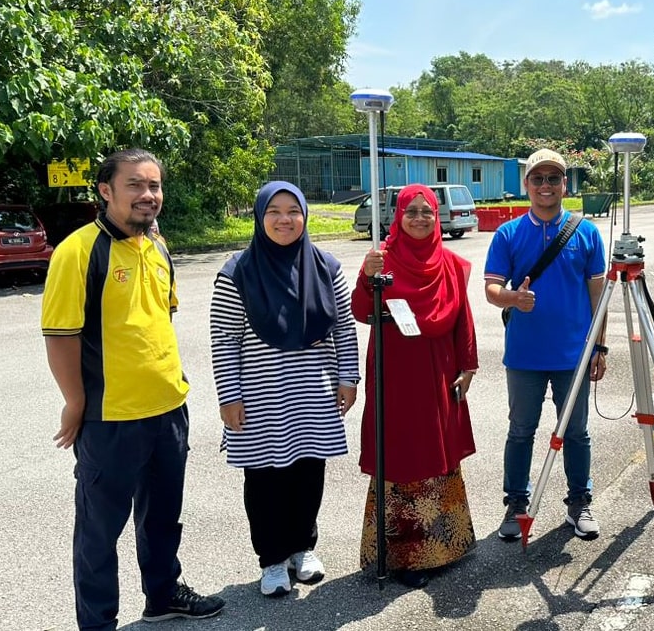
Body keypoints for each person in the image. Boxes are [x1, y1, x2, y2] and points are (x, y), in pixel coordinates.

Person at [41, 149, 225, 630]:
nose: (148, 195)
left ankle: (162, 596)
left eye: (154, 185)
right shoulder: (78, 252)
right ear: (106, 191)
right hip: (111, 418)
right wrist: (75, 401)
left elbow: (158, 319)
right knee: (99, 532)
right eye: (135, 185)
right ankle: (98, 623)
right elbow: (60, 335)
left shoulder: (158, 247)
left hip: (168, 408)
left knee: (162, 517)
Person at [210, 181, 359, 597]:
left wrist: (348, 378)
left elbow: (344, 329)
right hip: (259, 395)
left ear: (305, 215)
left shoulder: (326, 266)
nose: (284, 219)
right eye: (273, 211)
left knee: (309, 472)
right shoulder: (237, 272)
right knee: (264, 479)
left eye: (293, 210)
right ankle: (272, 559)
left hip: (313, 390)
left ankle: (302, 548)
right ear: (260, 217)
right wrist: (229, 396)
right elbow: (224, 339)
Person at [352, 184, 479, 589]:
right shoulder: (382, 260)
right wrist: (366, 277)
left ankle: (445, 546)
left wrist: (468, 365)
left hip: (439, 370)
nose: (420, 218)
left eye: (427, 211)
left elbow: (463, 318)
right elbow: (361, 312)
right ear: (398, 216)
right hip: (395, 373)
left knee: (436, 448)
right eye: (412, 211)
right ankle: (402, 555)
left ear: (437, 216)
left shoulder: (450, 264)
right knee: (402, 451)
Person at [484, 148, 608, 542]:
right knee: (521, 430)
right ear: (527, 184)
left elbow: (599, 295)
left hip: (574, 354)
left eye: (553, 178)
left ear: (564, 184)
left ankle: (579, 502)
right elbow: (491, 289)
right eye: (538, 178)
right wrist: (513, 299)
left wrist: (599, 347)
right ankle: (516, 504)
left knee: (576, 432)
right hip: (524, 354)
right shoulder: (508, 234)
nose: (545, 186)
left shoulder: (586, 232)